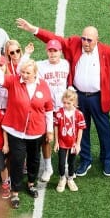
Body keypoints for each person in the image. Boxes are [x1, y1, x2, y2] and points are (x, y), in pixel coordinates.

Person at [18, 18, 110, 177]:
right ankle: (85, 160)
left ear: (97, 40)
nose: (85, 42)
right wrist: (33, 29)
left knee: (104, 129)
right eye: (83, 38)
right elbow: (54, 39)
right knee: (81, 129)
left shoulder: (108, 52)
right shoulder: (75, 43)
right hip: (78, 96)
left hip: (98, 97)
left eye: (89, 40)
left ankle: (107, 159)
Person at [1, 58, 54, 208]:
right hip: (16, 130)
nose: (24, 75)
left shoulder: (43, 85)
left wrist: (49, 130)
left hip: (36, 131)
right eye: (23, 72)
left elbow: (49, 109)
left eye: (27, 73)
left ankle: (31, 183)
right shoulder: (14, 81)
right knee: (17, 161)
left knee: (34, 159)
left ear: (35, 73)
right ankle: (15, 191)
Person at [36, 39, 70, 182]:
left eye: (55, 50)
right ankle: (48, 167)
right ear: (46, 51)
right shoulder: (40, 66)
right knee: (46, 138)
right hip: (47, 108)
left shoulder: (66, 64)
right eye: (50, 50)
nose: (52, 53)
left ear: (60, 52)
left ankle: (66, 164)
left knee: (66, 136)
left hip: (63, 107)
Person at [53, 89, 84, 192]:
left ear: (74, 102)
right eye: (64, 102)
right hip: (62, 142)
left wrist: (78, 144)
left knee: (72, 162)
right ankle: (62, 178)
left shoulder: (79, 114)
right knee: (61, 162)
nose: (65, 105)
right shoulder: (59, 113)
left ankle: (70, 179)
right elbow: (56, 127)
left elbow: (80, 129)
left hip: (73, 143)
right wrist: (56, 142)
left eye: (68, 103)